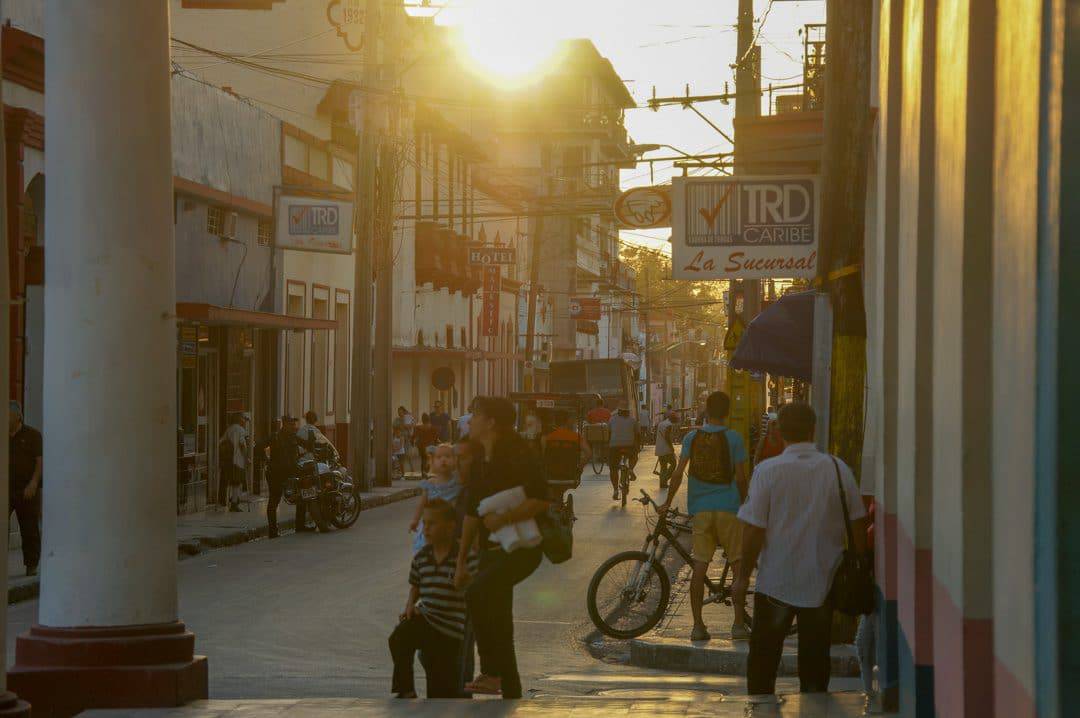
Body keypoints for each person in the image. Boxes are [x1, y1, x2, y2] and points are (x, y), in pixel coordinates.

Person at [735, 403, 868, 695]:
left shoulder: (767, 471)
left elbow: (754, 529)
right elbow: (858, 527)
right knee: (815, 660)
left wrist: (743, 576)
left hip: (775, 582)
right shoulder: (837, 469)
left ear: (779, 431)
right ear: (813, 430)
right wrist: (859, 568)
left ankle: (761, 711)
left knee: (763, 660)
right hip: (822, 581)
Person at [455, 397, 549, 699]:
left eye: (476, 415)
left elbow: (541, 499)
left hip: (521, 547)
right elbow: (472, 510)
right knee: (499, 618)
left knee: (477, 593)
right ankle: (510, 688)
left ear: (491, 422)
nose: (470, 420)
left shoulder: (519, 452)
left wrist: (505, 517)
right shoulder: (481, 455)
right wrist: (461, 561)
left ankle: (493, 673)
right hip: (489, 549)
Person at [661, 391, 750, 641]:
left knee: (699, 567)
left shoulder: (692, 437)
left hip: (700, 509)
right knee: (737, 566)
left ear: (706, 411)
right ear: (728, 412)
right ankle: (739, 625)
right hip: (729, 508)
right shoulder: (734, 438)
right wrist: (746, 505)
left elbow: (678, 474)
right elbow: (741, 478)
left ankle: (698, 626)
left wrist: (668, 502)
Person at [390, 498, 477, 699]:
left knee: (440, 693)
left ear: (449, 527)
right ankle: (406, 690)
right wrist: (410, 606)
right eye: (424, 524)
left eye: (432, 524)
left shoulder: (462, 557)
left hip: (450, 631)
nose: (426, 529)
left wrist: (465, 581)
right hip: (427, 620)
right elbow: (415, 586)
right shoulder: (422, 557)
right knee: (399, 637)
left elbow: (475, 590)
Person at [409, 444, 463, 553]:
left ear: (455, 460)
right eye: (439, 457)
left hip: (450, 523)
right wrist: (415, 520)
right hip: (432, 523)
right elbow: (422, 504)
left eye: (448, 457)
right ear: (432, 461)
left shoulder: (458, 481)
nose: (443, 460)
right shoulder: (430, 483)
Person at [9, 402, 41, 576]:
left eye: (7, 415)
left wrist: (34, 483)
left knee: (29, 529)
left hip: (27, 490)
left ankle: (31, 565)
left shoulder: (33, 435)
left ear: (17, 417)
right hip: (6, 489)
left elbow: (39, 461)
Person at [267, 416, 301, 538]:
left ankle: (300, 525)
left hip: (290, 473)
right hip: (276, 473)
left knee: (301, 496)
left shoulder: (293, 436)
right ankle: (272, 530)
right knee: (274, 501)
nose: (293, 427)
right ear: (285, 424)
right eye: (291, 424)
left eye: (294, 424)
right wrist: (266, 461)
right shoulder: (275, 437)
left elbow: (305, 445)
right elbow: (259, 447)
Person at [541, 411, 591, 489]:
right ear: (568, 421)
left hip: (551, 473)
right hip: (570, 473)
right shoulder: (576, 437)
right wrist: (580, 467)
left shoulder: (547, 438)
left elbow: (542, 455)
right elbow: (588, 453)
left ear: (555, 422)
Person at [607, 401, 639, 501]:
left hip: (614, 446)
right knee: (634, 456)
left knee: (613, 468)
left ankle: (615, 490)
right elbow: (637, 435)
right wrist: (637, 447)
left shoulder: (611, 419)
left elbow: (609, 433)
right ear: (628, 412)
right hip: (629, 446)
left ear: (618, 411)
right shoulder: (633, 420)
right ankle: (630, 469)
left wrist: (608, 446)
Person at [219, 413, 249, 512]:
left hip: (228, 460)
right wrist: (246, 458)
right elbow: (242, 444)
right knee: (236, 482)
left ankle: (225, 500)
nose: (244, 421)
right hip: (238, 460)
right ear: (240, 420)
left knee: (229, 481)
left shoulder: (229, 429)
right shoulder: (241, 430)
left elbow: (221, 441)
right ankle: (234, 503)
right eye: (243, 419)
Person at [655, 410, 677, 490]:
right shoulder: (669, 425)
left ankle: (662, 483)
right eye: (675, 417)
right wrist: (671, 447)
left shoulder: (661, 424)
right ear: (671, 418)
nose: (676, 418)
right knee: (673, 463)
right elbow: (667, 437)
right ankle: (664, 479)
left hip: (659, 448)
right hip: (666, 449)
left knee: (663, 466)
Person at [414, 414, 439, 478]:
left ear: (422, 420)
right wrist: (436, 443)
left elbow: (414, 436)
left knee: (423, 459)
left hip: (421, 445)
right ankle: (426, 470)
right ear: (429, 419)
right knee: (429, 458)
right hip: (430, 445)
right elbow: (436, 437)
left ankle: (423, 473)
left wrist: (412, 442)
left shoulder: (418, 427)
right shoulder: (434, 428)